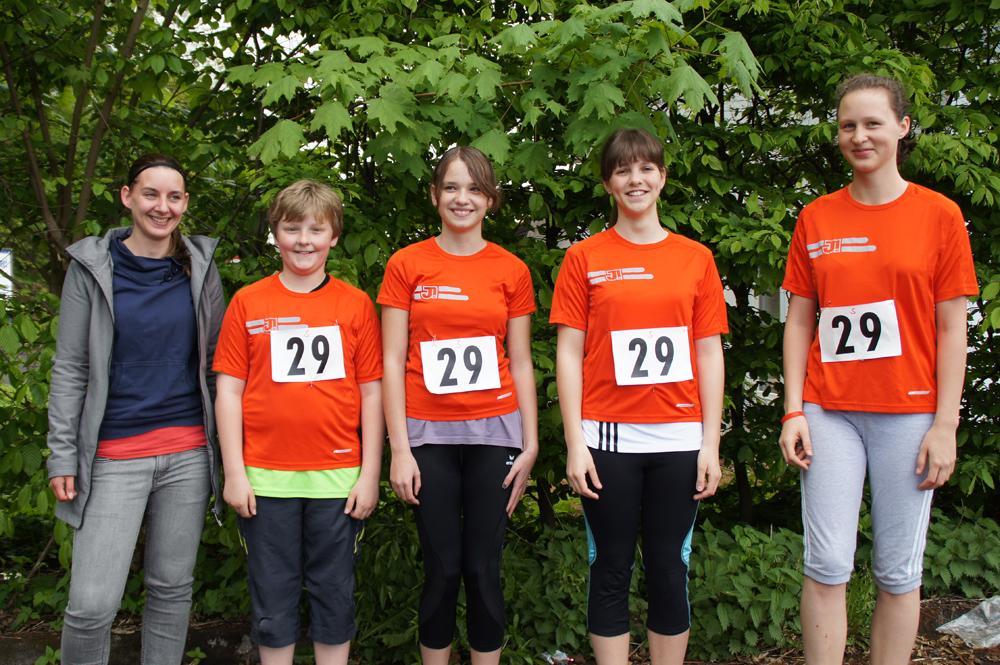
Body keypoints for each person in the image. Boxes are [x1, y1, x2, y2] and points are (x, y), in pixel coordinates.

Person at [779, 73, 979, 665]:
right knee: (826, 563)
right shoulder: (817, 218)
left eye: (873, 123)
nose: (859, 136)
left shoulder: (940, 216)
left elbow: (953, 327)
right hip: (829, 411)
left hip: (910, 414)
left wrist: (945, 425)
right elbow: (799, 321)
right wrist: (792, 410)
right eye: (848, 125)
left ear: (903, 127)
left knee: (897, 570)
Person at [550, 128, 727, 665]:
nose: (636, 179)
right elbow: (568, 353)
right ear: (608, 183)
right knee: (611, 567)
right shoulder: (584, 257)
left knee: (670, 569)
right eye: (623, 170)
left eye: (646, 168)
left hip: (680, 440)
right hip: (607, 440)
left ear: (663, 177)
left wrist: (711, 443)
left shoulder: (696, 257)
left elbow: (709, 352)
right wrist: (575, 443)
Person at [46, 153, 226, 665]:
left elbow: (218, 366)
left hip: (188, 454)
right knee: (91, 606)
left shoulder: (200, 266)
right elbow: (71, 367)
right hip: (113, 454)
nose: (161, 207)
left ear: (185, 204)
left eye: (174, 197)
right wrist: (62, 454)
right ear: (127, 197)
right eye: (151, 194)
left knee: (171, 591)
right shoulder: (91, 268)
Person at [377, 146, 538, 665]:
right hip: (427, 436)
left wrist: (531, 444)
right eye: (451, 187)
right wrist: (399, 449)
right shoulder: (407, 265)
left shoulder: (511, 269)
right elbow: (391, 360)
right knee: (443, 570)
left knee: (483, 570)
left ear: (490, 199)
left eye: (474, 188)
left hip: (497, 434)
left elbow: (520, 362)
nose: (462, 198)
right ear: (434, 195)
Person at [213, 180, 384, 665]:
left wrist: (370, 474)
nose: (303, 240)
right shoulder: (248, 302)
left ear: (334, 236)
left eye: (316, 229)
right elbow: (228, 391)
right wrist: (234, 472)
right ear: (275, 233)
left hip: (338, 479)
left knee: (334, 595)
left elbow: (372, 393)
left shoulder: (355, 303)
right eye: (292, 229)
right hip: (264, 479)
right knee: (272, 596)